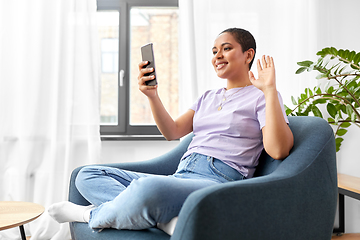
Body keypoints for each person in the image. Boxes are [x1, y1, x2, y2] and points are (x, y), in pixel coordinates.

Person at [48, 28, 293, 235]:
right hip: (180, 175)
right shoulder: (208, 97)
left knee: (147, 190)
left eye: (226, 48)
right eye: (214, 51)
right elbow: (172, 131)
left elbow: (278, 150)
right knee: (87, 175)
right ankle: (162, 220)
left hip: (217, 181)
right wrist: (152, 96)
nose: (218, 55)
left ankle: (88, 214)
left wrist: (270, 90)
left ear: (248, 54)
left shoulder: (262, 96)